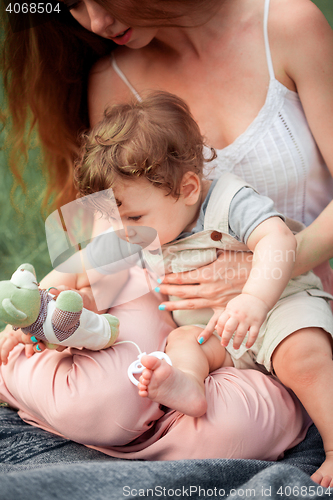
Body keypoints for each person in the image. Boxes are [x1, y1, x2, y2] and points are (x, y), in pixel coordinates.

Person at [0, 0, 332, 488]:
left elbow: (273, 240)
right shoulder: (109, 78)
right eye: (73, 4)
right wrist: (45, 306)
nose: (96, 22)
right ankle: (19, 368)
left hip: (284, 290)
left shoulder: (287, 23)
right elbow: (104, 236)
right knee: (117, 391)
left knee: (258, 402)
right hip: (179, 305)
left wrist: (256, 276)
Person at [72, 91, 333, 477]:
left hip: (276, 307)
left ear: (189, 188)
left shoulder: (230, 201)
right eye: (117, 220)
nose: (124, 232)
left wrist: (256, 301)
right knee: (182, 344)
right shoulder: (141, 228)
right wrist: (66, 304)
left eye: (136, 216)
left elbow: (277, 241)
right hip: (212, 329)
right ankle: (188, 386)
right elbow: (94, 271)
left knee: (303, 357)